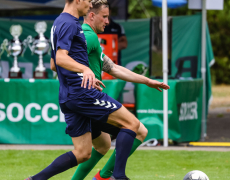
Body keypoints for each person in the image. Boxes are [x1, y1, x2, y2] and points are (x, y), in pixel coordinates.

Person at [24, 0, 150, 179]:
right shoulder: (72, 24)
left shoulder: (61, 22)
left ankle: (36, 179)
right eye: (88, 1)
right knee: (132, 125)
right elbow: (60, 59)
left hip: (69, 95)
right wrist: (85, 71)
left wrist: (81, 72)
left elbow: (54, 63)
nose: (89, 4)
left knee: (84, 152)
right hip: (82, 93)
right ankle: (116, 176)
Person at [69, 1, 170, 180]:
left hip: (84, 99)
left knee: (103, 145)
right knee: (135, 128)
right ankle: (114, 176)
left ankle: (102, 177)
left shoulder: (92, 38)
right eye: (105, 17)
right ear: (92, 15)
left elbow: (114, 68)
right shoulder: (87, 35)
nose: (108, 21)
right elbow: (63, 59)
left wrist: (147, 81)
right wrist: (83, 75)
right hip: (86, 99)